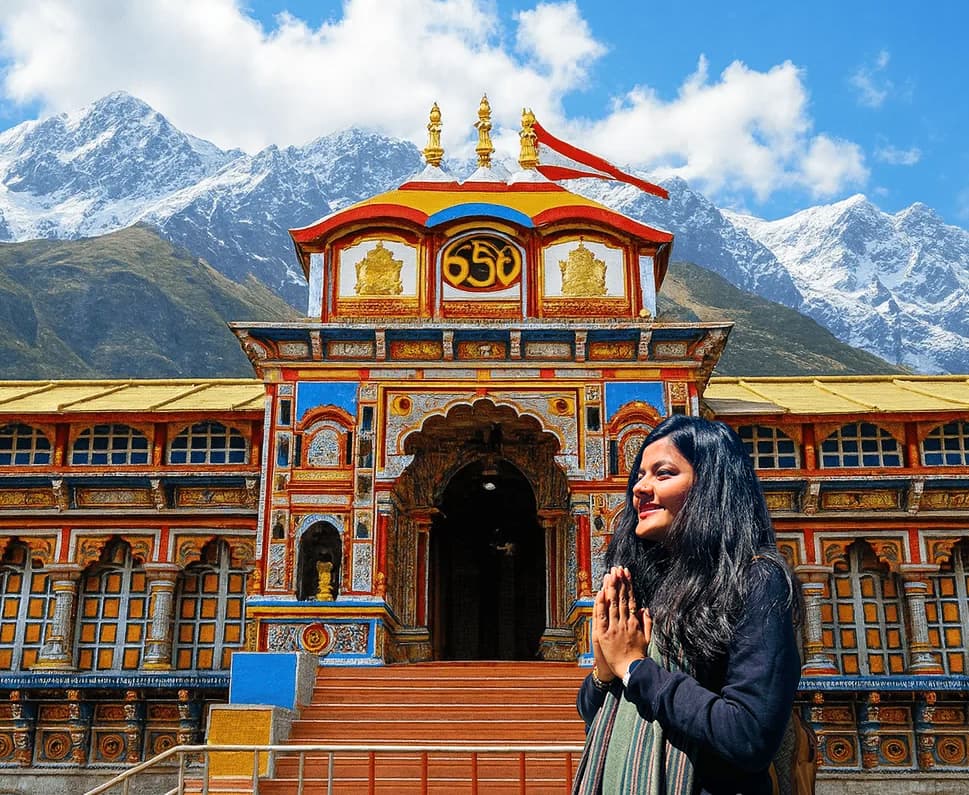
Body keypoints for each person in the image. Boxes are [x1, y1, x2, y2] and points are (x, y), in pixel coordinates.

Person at [573, 415, 802, 795]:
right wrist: (605, 669)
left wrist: (634, 666)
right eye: (639, 475)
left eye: (662, 474)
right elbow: (595, 714)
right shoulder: (649, 584)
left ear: (711, 485)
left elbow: (748, 735)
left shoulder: (756, 581)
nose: (640, 488)